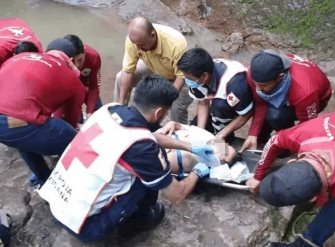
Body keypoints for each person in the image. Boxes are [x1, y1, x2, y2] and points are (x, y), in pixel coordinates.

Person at [39, 75, 214, 242]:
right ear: (159, 112)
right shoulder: (142, 147)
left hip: (57, 200)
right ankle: (137, 222)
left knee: (145, 166)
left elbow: (147, 137)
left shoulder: (110, 109)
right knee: (149, 178)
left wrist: (189, 146)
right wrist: (197, 173)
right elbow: (177, 194)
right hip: (85, 226)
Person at [246, 104, 335, 246]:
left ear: (314, 198)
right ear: (292, 162)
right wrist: (258, 175)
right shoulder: (306, 134)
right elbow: (274, 141)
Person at [0, 38, 85, 187]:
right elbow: (71, 119)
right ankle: (75, 184)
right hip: (19, 123)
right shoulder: (70, 76)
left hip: (7, 126)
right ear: (71, 60)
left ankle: (43, 178)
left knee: (23, 137)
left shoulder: (19, 57)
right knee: (76, 142)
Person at [240, 49, 332, 153]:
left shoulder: (305, 92)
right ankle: (262, 142)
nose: (258, 89)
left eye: (263, 85)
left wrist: (281, 139)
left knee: (275, 115)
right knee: (261, 128)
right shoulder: (254, 75)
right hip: (292, 90)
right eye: (255, 83)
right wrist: (253, 134)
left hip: (316, 99)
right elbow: (261, 104)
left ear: (280, 77)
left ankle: (285, 150)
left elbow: (307, 124)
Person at [113, 16, 192, 124]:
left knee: (176, 109)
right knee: (120, 77)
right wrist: (121, 104)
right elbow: (128, 71)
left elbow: (181, 77)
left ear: (152, 35)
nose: (138, 48)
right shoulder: (134, 41)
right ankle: (119, 115)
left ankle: (178, 135)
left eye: (141, 45)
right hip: (153, 66)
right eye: (136, 45)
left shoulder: (176, 44)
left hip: (181, 76)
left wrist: (163, 102)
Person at [176, 47, 254, 142]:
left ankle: (225, 137)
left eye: (189, 78)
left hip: (235, 102)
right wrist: (199, 133)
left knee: (219, 106)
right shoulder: (195, 77)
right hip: (214, 101)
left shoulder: (235, 84)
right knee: (195, 132)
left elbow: (246, 113)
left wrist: (221, 135)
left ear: (205, 76)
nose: (187, 80)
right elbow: (203, 103)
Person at [156, 121, 237, 177]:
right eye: (226, 146)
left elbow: (158, 162)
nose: (223, 148)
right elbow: (181, 126)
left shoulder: (193, 159)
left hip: (154, 148)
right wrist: (172, 124)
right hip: (158, 136)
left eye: (225, 153)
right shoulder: (209, 137)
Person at [63, 34, 102, 122]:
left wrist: (90, 112)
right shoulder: (59, 60)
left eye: (80, 60)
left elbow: (94, 87)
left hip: (86, 86)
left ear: (84, 52)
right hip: (69, 90)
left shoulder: (93, 57)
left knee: (98, 114)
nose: (77, 65)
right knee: (76, 120)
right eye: (72, 61)